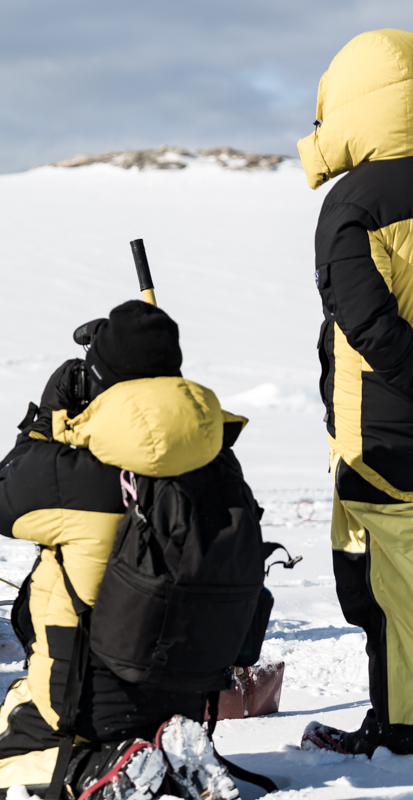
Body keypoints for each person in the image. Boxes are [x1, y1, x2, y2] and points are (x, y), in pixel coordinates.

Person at [0, 301, 248, 800]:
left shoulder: (72, 471)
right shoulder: (222, 466)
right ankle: (171, 758)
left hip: (86, 697)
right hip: (189, 695)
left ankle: (94, 769)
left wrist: (46, 423)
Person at [296, 28, 413, 758]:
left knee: (383, 591)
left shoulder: (356, 201)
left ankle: (397, 727)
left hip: (381, 437)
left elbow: (368, 323)